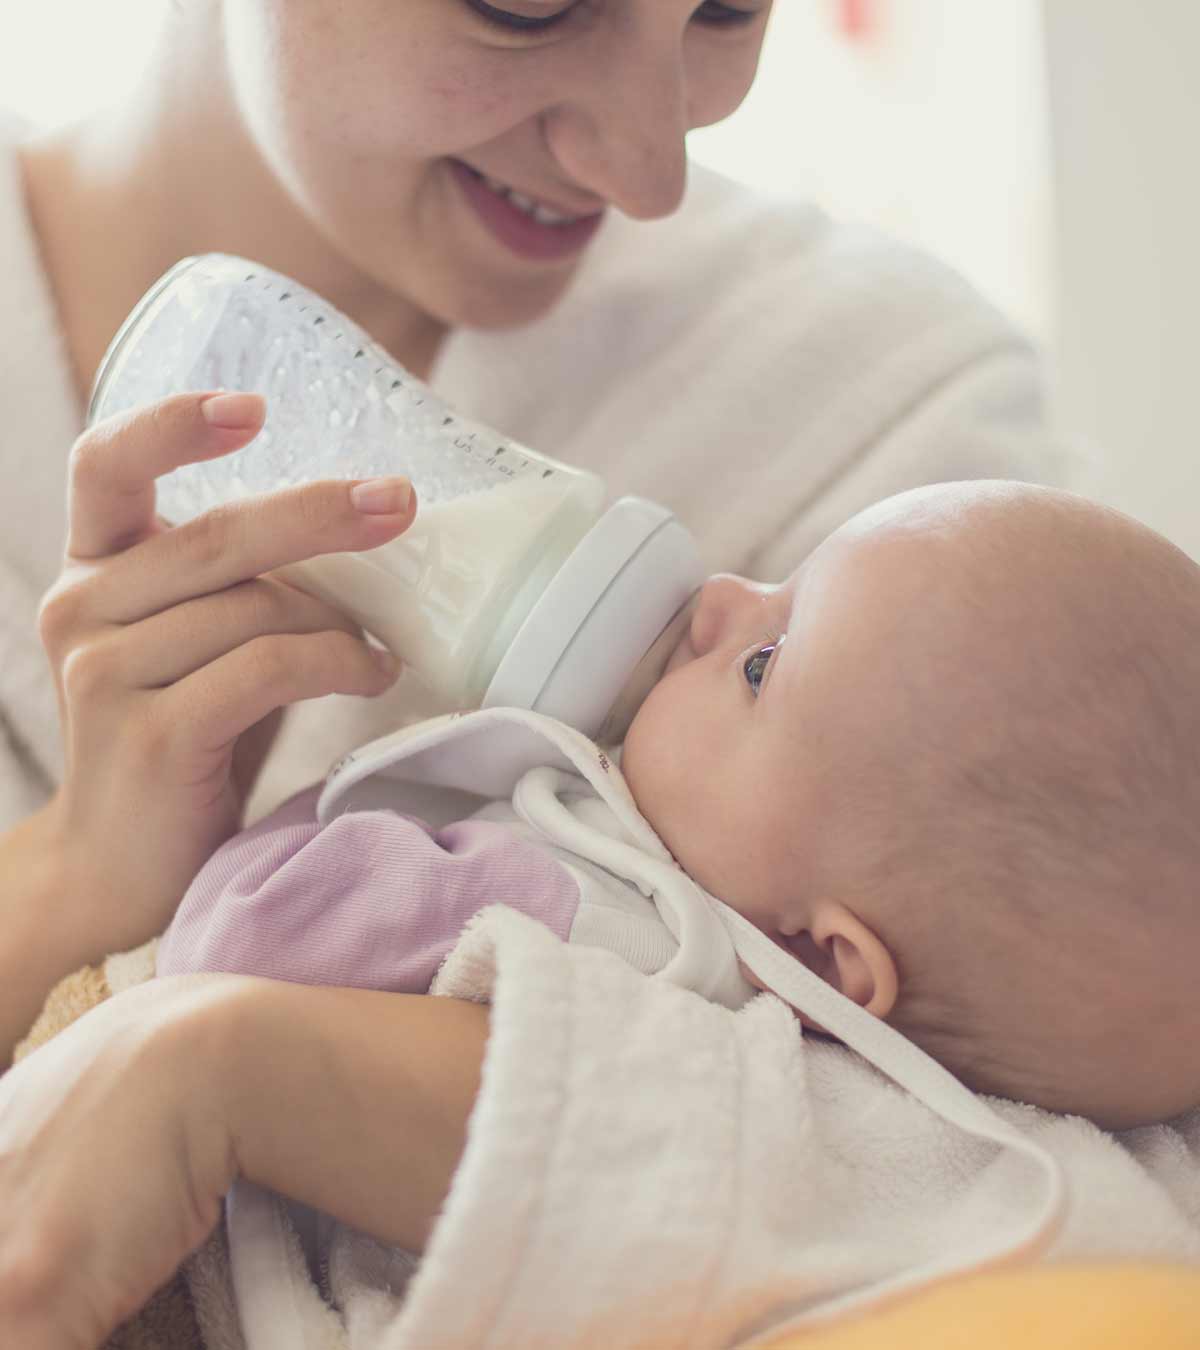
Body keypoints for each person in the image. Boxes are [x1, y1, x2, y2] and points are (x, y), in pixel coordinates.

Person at [0, 0, 1083, 1343]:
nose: (648, 169)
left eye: (731, 8)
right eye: (526, 5)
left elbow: (997, 1164)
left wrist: (243, 1070)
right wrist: (72, 877)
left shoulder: (891, 431)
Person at [162, 478, 1200, 1135]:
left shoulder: (581, 913)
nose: (717, 599)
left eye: (762, 661)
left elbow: (231, 939)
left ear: (826, 961)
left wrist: (292, 777)